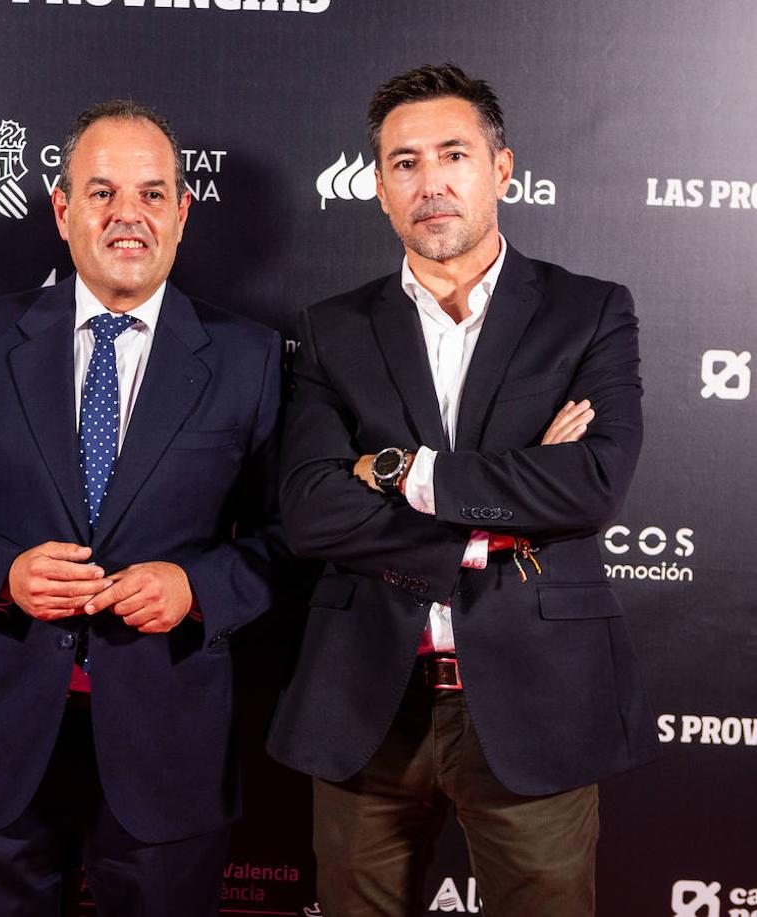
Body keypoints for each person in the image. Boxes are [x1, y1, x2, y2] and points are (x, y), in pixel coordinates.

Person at [267, 64, 660, 916]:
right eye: (404, 162)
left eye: (454, 154)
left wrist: (403, 471)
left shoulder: (589, 312)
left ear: (502, 169)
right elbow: (308, 506)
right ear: (377, 187)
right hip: (366, 698)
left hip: (539, 698)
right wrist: (501, 518)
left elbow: (591, 485)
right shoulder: (331, 329)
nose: (431, 181)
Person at [0, 100, 286, 917]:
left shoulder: (249, 357)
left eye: (154, 194)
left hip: (169, 746)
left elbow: (285, 537)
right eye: (102, 192)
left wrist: (198, 589)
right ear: (61, 209)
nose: (129, 215)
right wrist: (3, 573)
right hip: (2, 740)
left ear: (184, 213)